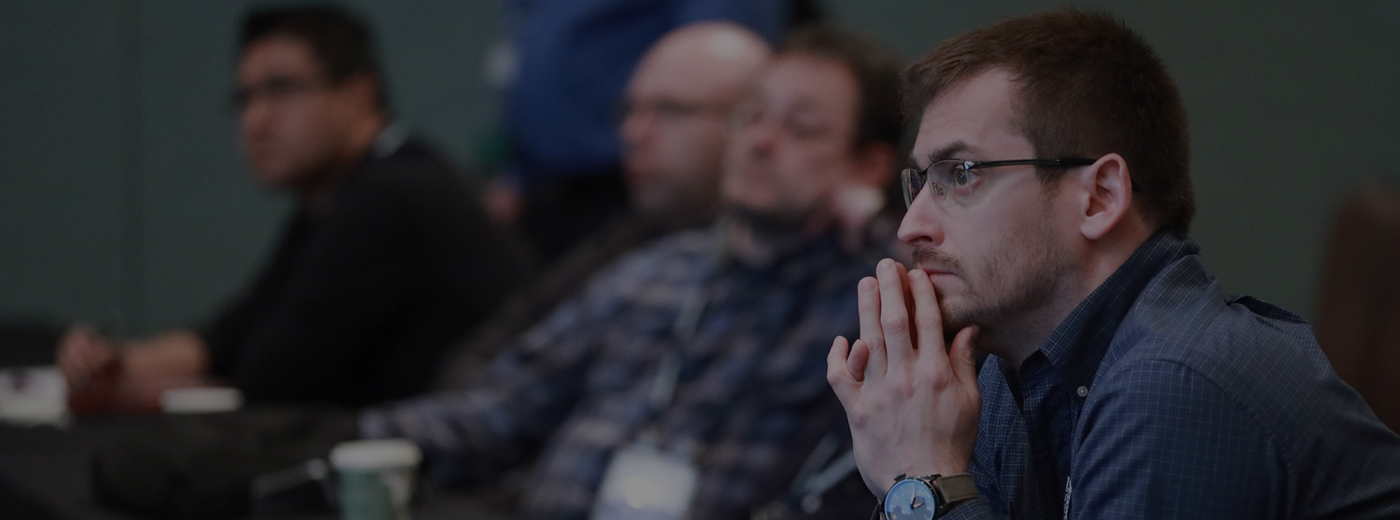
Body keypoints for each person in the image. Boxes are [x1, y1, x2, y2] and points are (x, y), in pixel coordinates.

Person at [825, 9, 1400, 520]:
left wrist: (922, 482)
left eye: (963, 175)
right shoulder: (1005, 375)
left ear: (1099, 197)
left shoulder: (1179, 380)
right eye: (921, 181)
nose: (910, 226)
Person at [362, 24, 904, 520]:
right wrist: (348, 442)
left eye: (801, 127)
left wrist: (880, 225)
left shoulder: (877, 298)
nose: (761, 141)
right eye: (753, 115)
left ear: (869, 165)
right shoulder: (650, 273)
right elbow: (494, 415)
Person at [57, 6, 531, 409]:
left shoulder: (392, 196)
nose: (255, 121)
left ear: (359, 94)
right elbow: (232, 334)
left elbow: (268, 382)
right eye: (245, 99)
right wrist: (114, 362)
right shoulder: (336, 192)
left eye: (281, 90)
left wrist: (121, 393)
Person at [433, 22, 771, 388]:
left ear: (749, 122)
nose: (634, 134)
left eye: (670, 110)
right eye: (630, 110)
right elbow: (490, 352)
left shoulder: (771, 259)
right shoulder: (626, 238)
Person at [485, 0, 789, 262]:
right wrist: (518, 172)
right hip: (549, 186)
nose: (634, 130)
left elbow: (723, 68)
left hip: (628, 186)